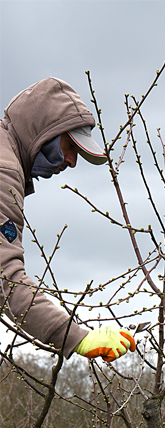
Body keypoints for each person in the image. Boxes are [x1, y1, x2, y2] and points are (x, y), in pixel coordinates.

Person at [1, 78, 136, 361]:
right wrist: (77, 337)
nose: (73, 161)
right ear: (43, 132)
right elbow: (7, 282)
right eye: (70, 147)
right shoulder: (4, 172)